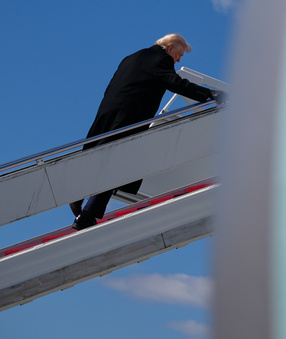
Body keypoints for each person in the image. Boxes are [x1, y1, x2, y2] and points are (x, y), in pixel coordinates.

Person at [71, 34, 223, 230]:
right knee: (115, 166)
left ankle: (79, 196)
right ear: (169, 49)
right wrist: (210, 94)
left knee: (102, 159)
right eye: (179, 55)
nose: (178, 60)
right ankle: (87, 215)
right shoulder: (161, 60)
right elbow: (175, 83)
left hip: (108, 113)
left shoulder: (132, 57)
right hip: (129, 118)